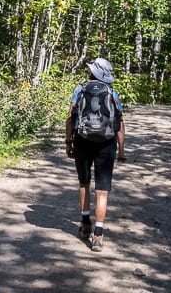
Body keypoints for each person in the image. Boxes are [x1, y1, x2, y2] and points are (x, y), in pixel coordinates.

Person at [65, 57, 126, 252]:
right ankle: (98, 235)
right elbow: (119, 122)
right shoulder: (112, 92)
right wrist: (121, 150)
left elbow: (70, 118)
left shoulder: (80, 89)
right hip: (106, 144)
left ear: (92, 72)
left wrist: (68, 142)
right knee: (102, 190)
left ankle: (85, 224)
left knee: (84, 182)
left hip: (82, 141)